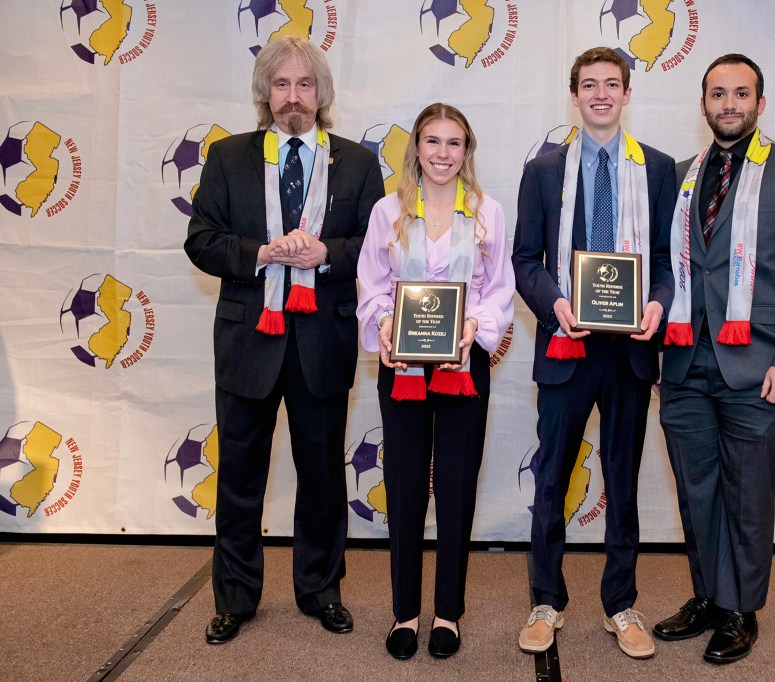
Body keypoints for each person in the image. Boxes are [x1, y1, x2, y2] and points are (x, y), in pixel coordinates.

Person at [184, 35, 384, 644]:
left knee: (322, 475)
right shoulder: (226, 157)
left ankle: (321, 590)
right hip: (249, 343)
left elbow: (378, 249)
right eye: (281, 85)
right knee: (240, 479)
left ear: (321, 94)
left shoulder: (356, 161)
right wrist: (262, 253)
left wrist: (327, 254)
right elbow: (201, 240)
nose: (293, 97)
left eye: (304, 85)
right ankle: (235, 599)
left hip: (322, 343)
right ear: (264, 93)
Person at [653, 53, 775, 664]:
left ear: (760, 102)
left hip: (758, 368)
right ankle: (707, 595)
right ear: (702, 103)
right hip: (683, 365)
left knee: (747, 494)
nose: (729, 104)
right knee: (696, 491)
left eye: (741, 93)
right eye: (717, 94)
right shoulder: (679, 176)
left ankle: (740, 609)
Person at [512, 47, 676, 660]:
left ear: (627, 93)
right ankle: (546, 600)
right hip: (566, 344)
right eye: (589, 85)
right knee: (552, 478)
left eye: (612, 84)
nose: (601, 94)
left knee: (623, 483)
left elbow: (664, 262)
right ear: (574, 95)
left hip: (630, 354)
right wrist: (555, 302)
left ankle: (620, 604)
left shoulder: (657, 169)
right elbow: (525, 259)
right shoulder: (544, 169)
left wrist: (657, 303)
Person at [356, 103, 514, 660]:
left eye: (454, 143)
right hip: (402, 368)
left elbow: (499, 290)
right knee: (402, 490)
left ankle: (447, 612)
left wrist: (476, 326)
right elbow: (372, 285)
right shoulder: (387, 211)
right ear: (416, 148)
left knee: (455, 489)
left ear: (466, 151)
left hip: (462, 366)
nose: (442, 154)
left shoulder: (488, 212)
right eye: (432, 142)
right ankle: (405, 613)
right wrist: (385, 324)